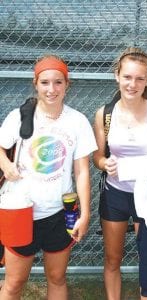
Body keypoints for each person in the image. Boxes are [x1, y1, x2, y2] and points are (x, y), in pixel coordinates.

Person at [0, 54, 97, 300]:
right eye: (44, 82)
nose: (51, 89)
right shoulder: (19, 116)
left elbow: (82, 171)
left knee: (56, 278)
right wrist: (6, 164)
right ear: (35, 84)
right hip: (21, 213)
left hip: (58, 214)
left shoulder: (77, 121)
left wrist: (85, 214)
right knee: (14, 282)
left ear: (67, 85)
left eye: (58, 82)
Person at [93, 47, 147, 300]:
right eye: (127, 77)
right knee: (112, 257)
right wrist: (105, 164)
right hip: (115, 194)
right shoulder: (104, 114)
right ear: (117, 76)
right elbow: (97, 157)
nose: (133, 84)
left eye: (140, 78)